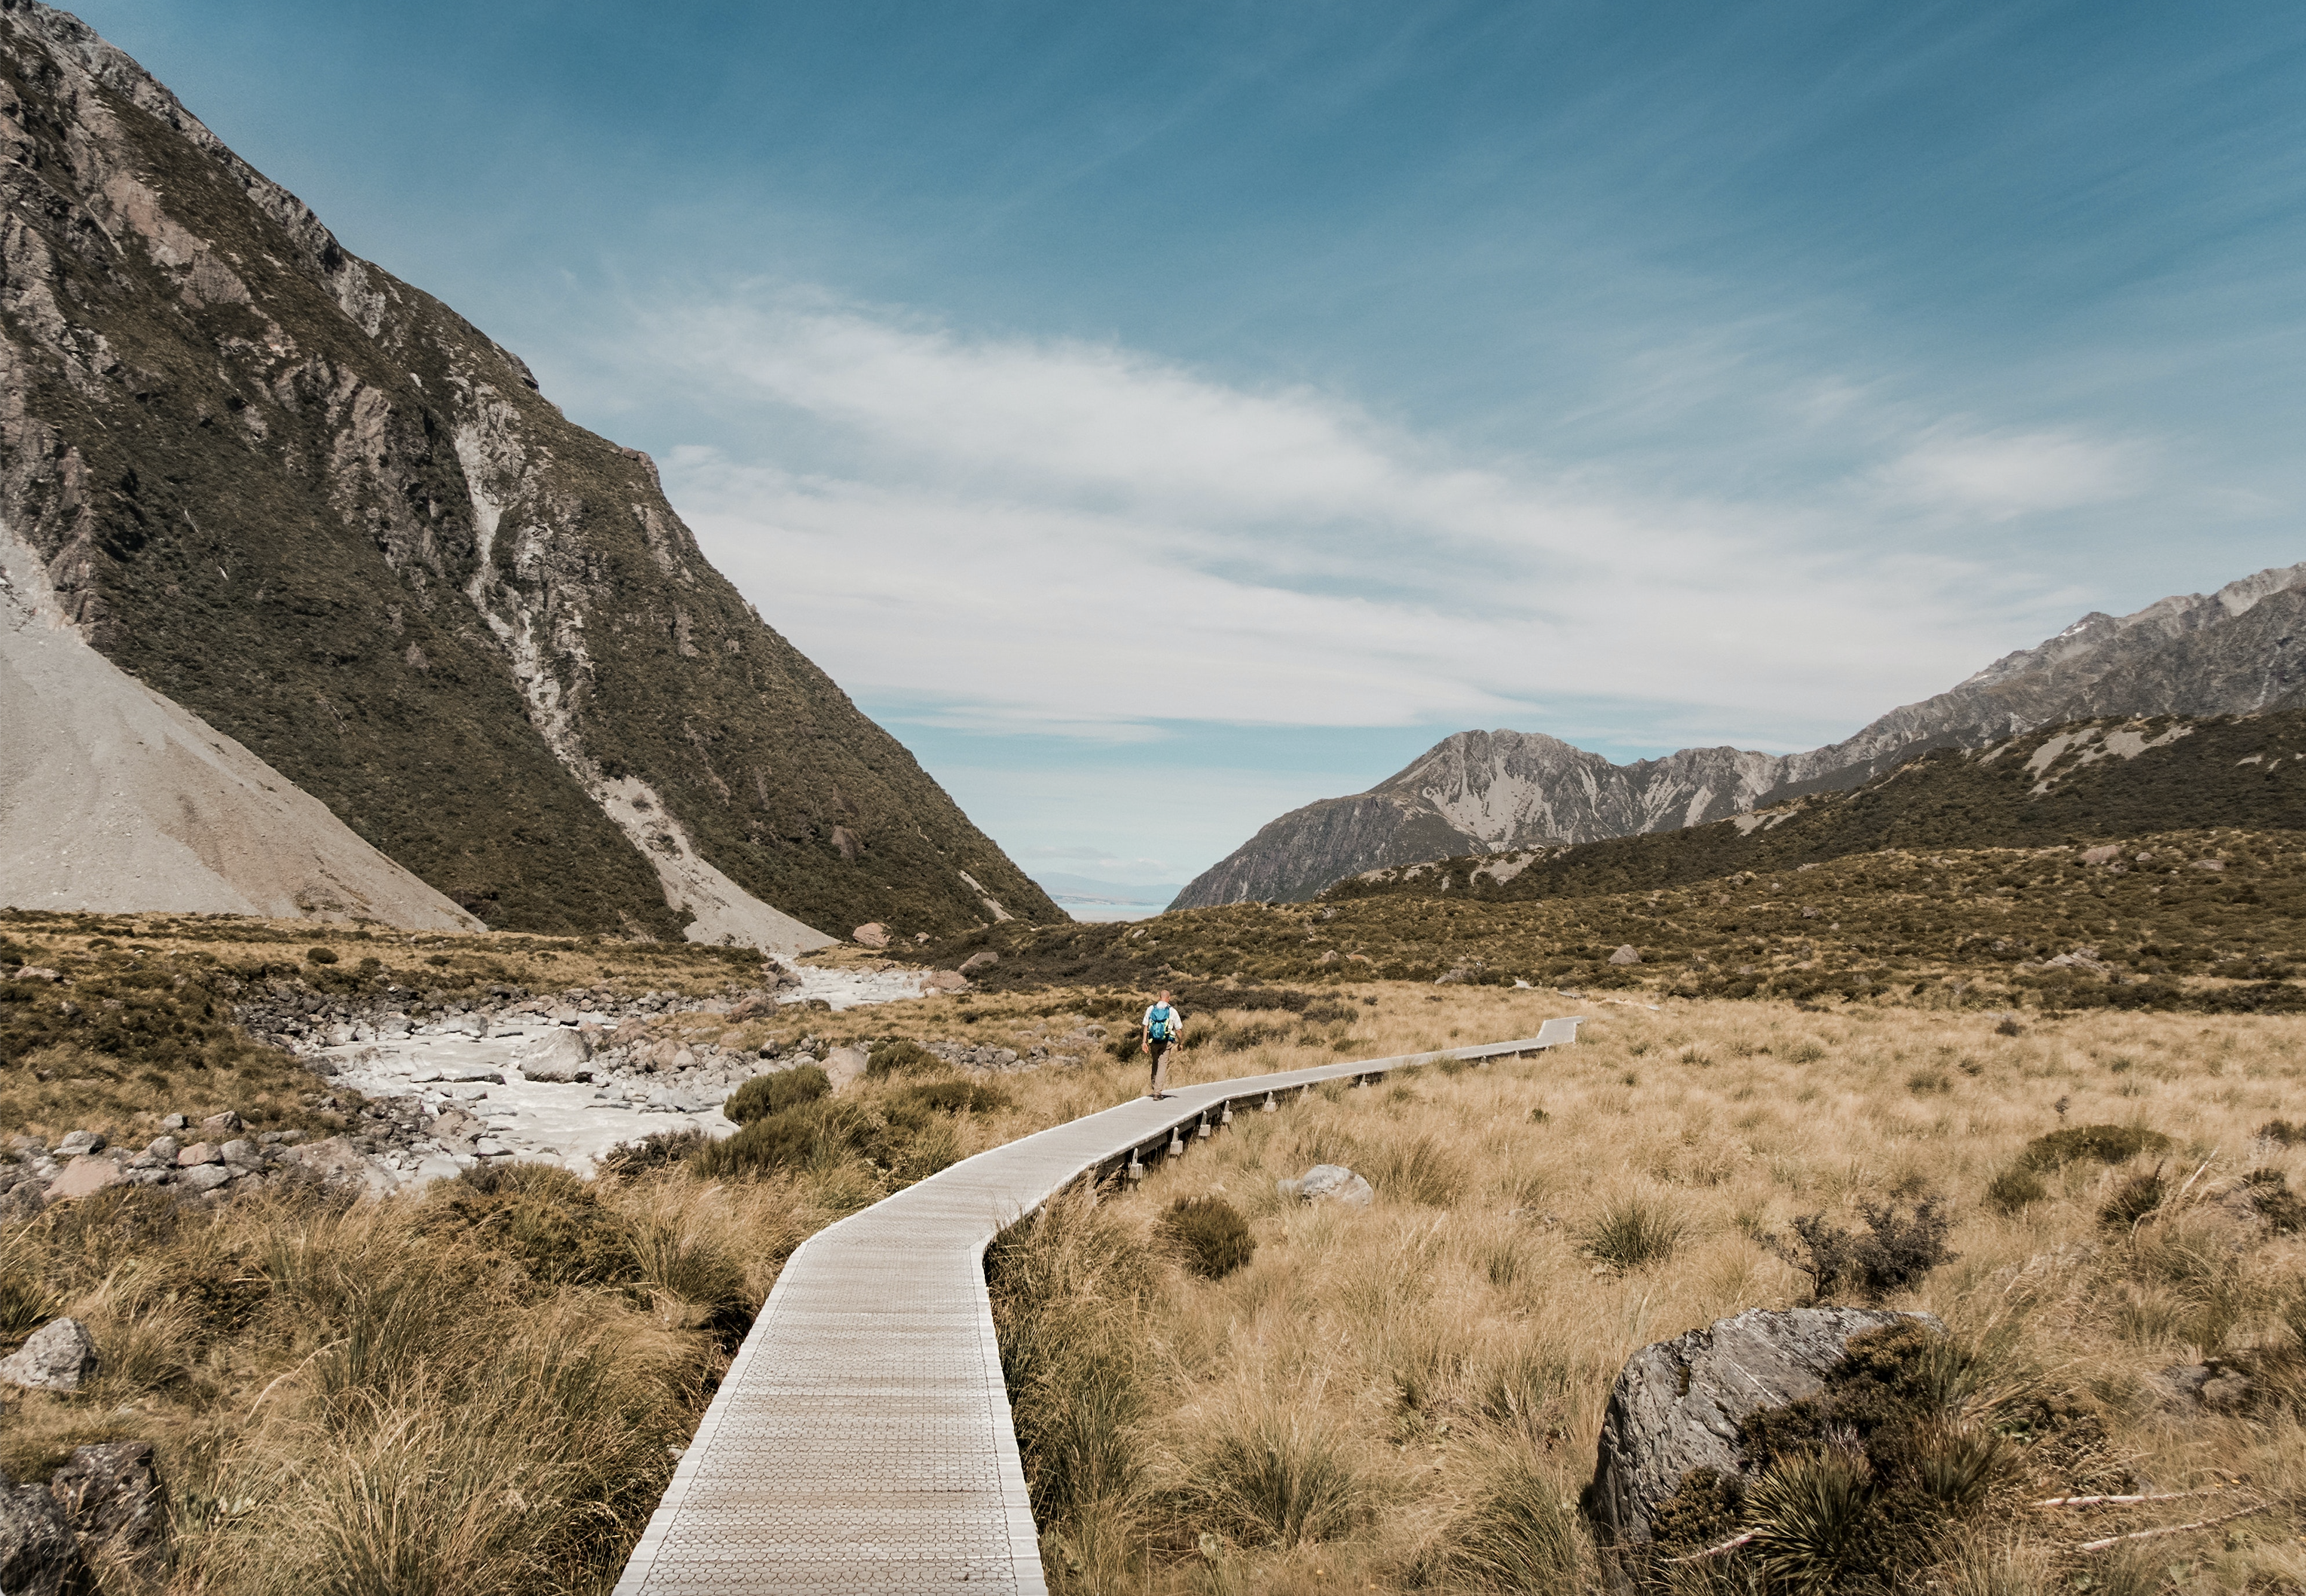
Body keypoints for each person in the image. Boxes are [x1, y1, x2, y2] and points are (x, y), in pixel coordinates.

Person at [1141, 989, 1185, 1099]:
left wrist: (1144, 1042)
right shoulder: (1172, 1011)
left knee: (1155, 1063)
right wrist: (1181, 1043)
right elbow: (1178, 1030)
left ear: (1159, 997)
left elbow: (1146, 1026)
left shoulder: (1151, 1009)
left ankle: (1154, 1086)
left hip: (1153, 1041)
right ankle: (1157, 1092)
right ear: (1168, 998)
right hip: (1167, 1042)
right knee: (1162, 1065)